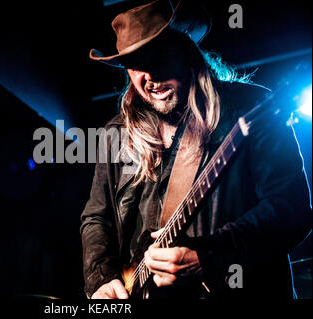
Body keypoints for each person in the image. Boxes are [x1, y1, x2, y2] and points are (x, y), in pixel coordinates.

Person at [80, 0, 311, 299]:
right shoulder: (116, 134)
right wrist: (102, 279)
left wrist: (211, 258)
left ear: (186, 51)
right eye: (137, 65)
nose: (149, 76)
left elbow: (291, 208)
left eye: (158, 56)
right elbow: (97, 218)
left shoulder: (248, 108)